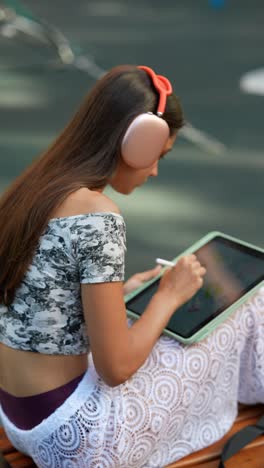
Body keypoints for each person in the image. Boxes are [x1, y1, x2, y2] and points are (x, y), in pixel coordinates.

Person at [0, 64, 263, 468]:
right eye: (159, 154)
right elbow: (116, 369)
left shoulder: (32, 189)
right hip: (77, 438)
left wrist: (121, 293)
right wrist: (169, 297)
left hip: (18, 418)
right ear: (136, 143)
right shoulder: (99, 217)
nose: (155, 170)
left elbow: (37, 301)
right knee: (249, 304)